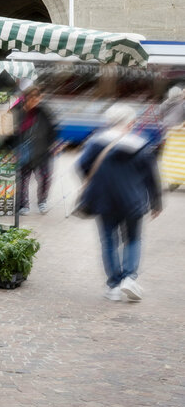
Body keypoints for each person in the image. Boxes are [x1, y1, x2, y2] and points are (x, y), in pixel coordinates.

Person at [77, 103, 162, 302]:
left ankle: (114, 285)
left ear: (109, 121)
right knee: (133, 239)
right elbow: (151, 176)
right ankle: (129, 278)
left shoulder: (96, 142)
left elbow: (81, 165)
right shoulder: (142, 144)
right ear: (130, 122)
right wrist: (156, 202)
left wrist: (95, 179)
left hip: (104, 200)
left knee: (109, 241)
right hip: (134, 201)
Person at [15, 86, 57, 215]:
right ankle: (23, 205)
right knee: (23, 179)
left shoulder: (44, 111)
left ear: (40, 98)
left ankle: (42, 201)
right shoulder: (18, 111)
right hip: (24, 150)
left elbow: (52, 129)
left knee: (45, 177)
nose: (34, 99)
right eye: (31, 97)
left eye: (36, 97)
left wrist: (53, 145)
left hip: (42, 151)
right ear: (26, 97)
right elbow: (11, 131)